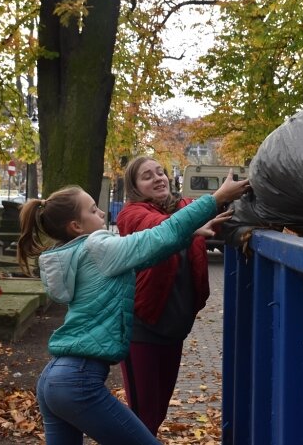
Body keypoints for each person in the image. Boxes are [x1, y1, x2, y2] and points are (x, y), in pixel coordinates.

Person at [16, 172, 249, 445]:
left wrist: (190, 232)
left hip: (53, 380)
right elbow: (161, 234)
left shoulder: (75, 254)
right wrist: (217, 198)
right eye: (93, 210)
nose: (102, 212)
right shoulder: (97, 247)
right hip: (78, 381)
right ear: (76, 226)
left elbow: (151, 251)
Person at [113, 156, 222, 435]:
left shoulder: (185, 207)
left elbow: (219, 219)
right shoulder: (132, 214)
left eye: (160, 172)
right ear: (135, 187)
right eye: (148, 176)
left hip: (174, 329)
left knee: (158, 411)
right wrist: (200, 217)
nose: (159, 178)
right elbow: (163, 229)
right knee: (142, 414)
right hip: (142, 328)